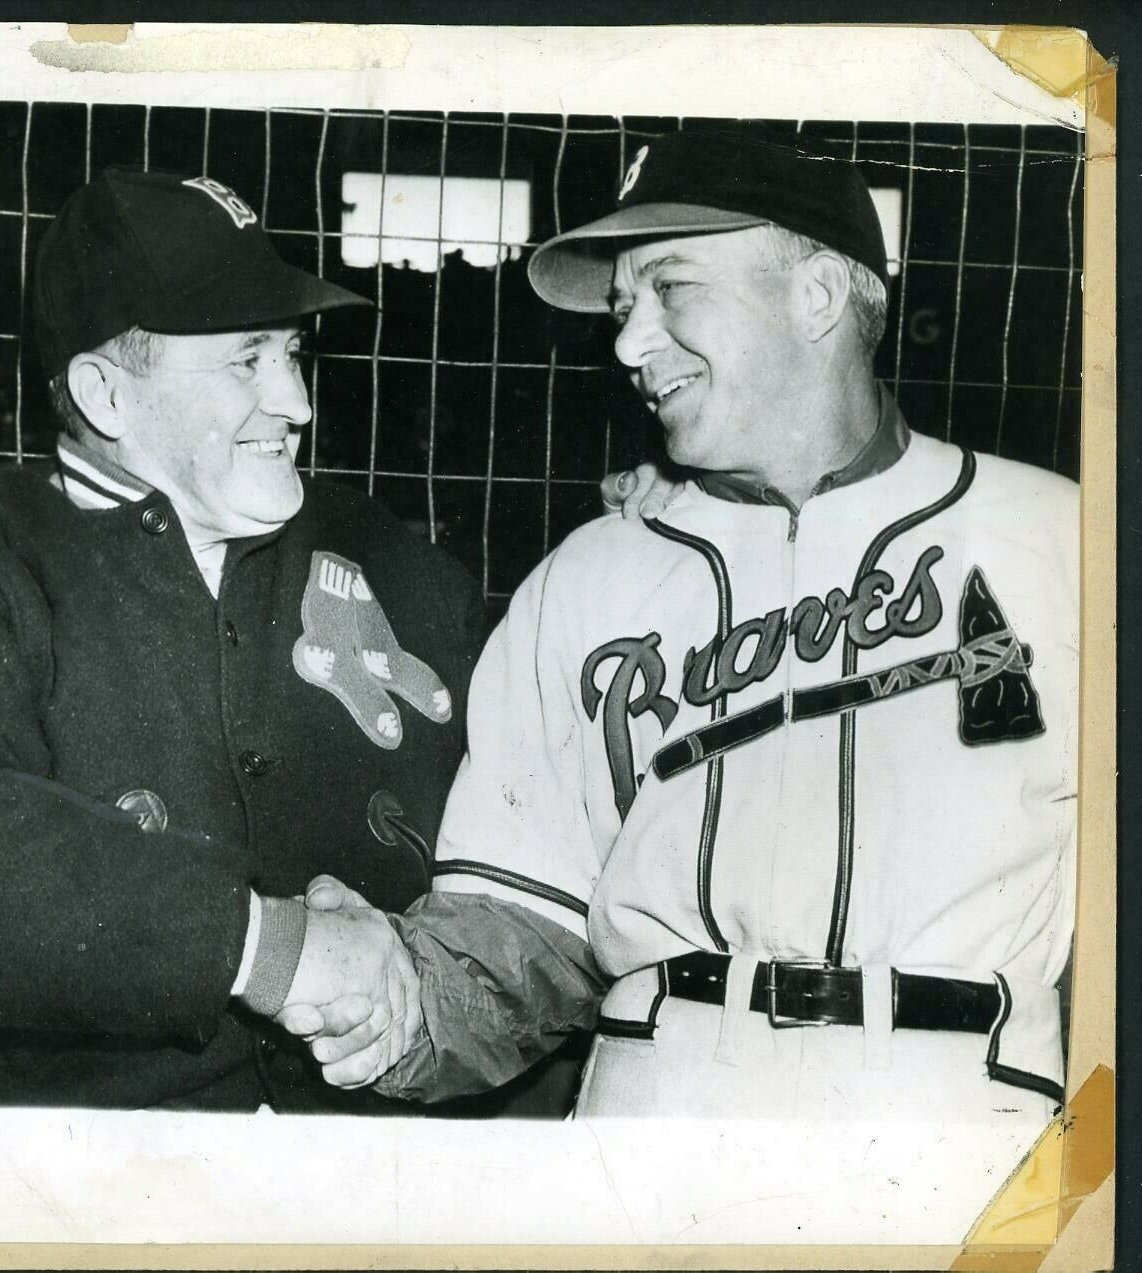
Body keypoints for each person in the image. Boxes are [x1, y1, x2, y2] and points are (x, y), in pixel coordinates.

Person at [282, 130, 1079, 1128]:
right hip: (659, 1101)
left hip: (964, 1119)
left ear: (818, 294)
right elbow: (522, 927)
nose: (625, 344)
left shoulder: (1065, 543)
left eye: (671, 285)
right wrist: (388, 998)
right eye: (621, 308)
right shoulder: (585, 579)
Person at [0, 167, 500, 1112]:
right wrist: (269, 949)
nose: (297, 402)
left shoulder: (399, 566)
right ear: (106, 395)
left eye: (294, 352)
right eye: (246, 360)